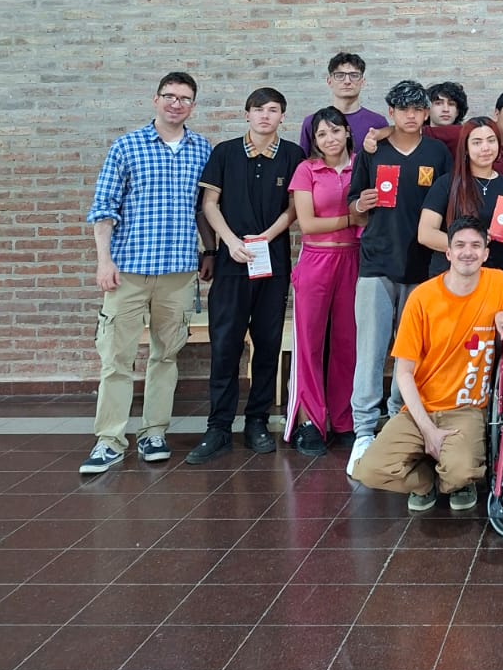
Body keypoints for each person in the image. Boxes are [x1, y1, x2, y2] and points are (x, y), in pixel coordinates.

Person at [80, 72, 214, 474]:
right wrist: (104, 261)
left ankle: (154, 432)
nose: (176, 104)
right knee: (117, 358)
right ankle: (109, 439)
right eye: (169, 96)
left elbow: (202, 208)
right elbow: (104, 208)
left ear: (192, 105)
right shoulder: (127, 146)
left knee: (166, 355)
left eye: (184, 98)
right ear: (154, 100)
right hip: (129, 272)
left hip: (178, 272)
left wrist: (209, 250)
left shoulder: (201, 150)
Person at [350, 218, 503, 511]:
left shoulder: (498, 283)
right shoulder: (422, 298)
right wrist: (427, 429)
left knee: (460, 471)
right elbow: (403, 373)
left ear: (485, 253)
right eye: (460, 246)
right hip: (421, 406)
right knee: (366, 470)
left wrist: (502, 316)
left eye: (475, 246)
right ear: (448, 253)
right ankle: (426, 482)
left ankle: (455, 476)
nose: (468, 252)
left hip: (467, 409)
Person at [188, 88, 305, 464]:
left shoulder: (292, 155)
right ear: (247, 114)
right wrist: (229, 242)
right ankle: (219, 426)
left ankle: (256, 420)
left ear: (283, 116)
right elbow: (208, 204)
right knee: (225, 345)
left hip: (273, 263)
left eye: (273, 110)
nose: (265, 116)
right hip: (231, 263)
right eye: (258, 109)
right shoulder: (224, 152)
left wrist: (267, 237)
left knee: (268, 343)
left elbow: (294, 208)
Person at [344, 81, 453, 476]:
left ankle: (398, 420)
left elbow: (449, 202)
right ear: (390, 113)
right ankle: (363, 432)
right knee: (370, 349)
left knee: (410, 354)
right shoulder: (373, 150)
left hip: (423, 267)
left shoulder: (438, 152)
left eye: (417, 109)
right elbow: (353, 203)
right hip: (376, 262)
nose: (410, 115)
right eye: (401, 109)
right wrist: (361, 202)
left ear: (425, 114)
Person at [285, 106, 361, 457]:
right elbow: (308, 224)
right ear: (313, 140)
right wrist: (351, 216)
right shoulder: (306, 170)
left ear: (347, 131)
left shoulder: (363, 164)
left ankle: (343, 420)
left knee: (348, 344)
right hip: (316, 260)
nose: (330, 139)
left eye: (335, 131)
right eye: (321, 134)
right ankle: (310, 423)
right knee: (310, 345)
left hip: (354, 259)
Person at [418, 116, 503, 286]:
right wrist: (469, 245)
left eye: (491, 141)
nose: (485, 148)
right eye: (477, 142)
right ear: (466, 148)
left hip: (496, 278)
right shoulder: (447, 183)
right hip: (450, 278)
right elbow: (425, 233)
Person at [298, 53, 387, 155]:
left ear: (362, 82)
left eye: (354, 75)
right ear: (329, 81)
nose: (347, 81)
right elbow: (305, 161)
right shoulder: (311, 122)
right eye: (340, 76)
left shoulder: (378, 123)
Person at [426, 81, 469, 155]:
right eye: (438, 103)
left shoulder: (467, 137)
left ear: (457, 111)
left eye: (451, 104)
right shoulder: (415, 137)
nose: (446, 109)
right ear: (427, 110)